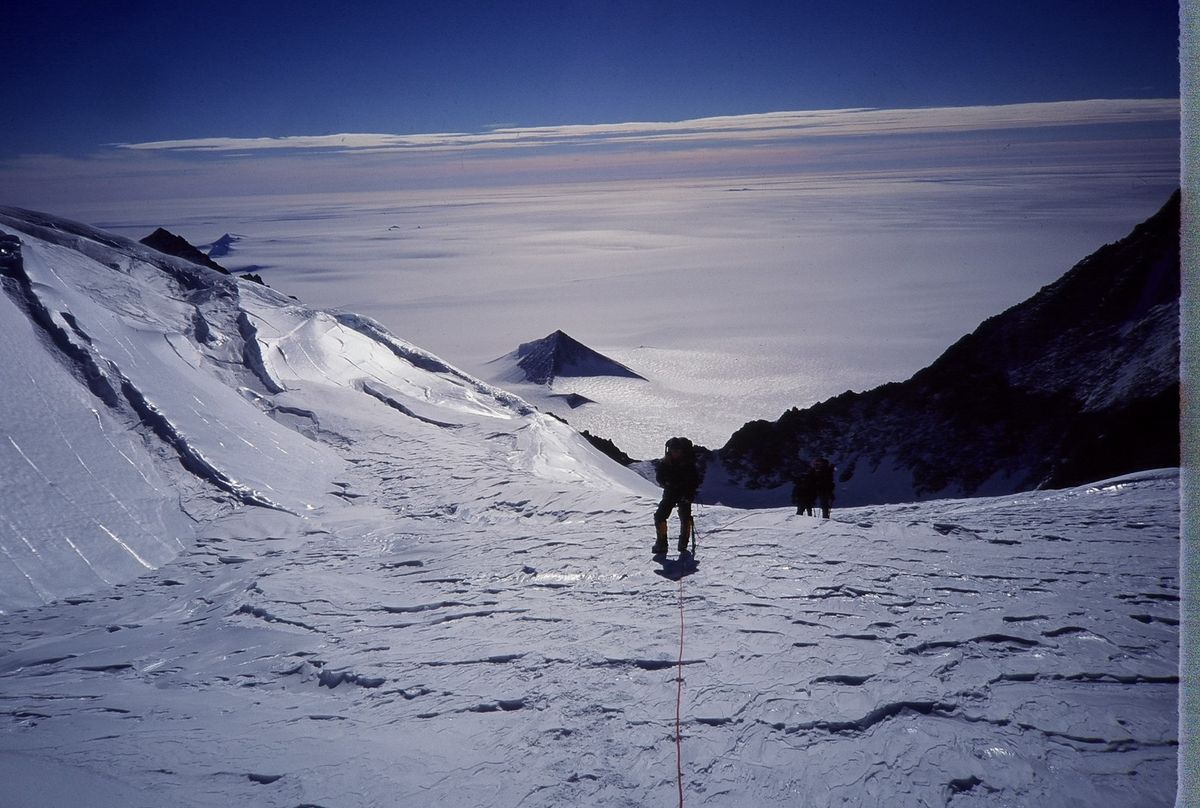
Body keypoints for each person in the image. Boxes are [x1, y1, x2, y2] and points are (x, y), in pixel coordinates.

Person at [654, 436, 702, 554]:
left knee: (684, 517)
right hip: (671, 492)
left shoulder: (686, 464)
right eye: (673, 450)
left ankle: (682, 544)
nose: (675, 453)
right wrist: (667, 483)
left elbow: (694, 480)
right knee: (660, 516)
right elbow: (659, 477)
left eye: (677, 450)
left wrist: (689, 493)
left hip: (683, 493)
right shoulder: (667, 463)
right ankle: (662, 544)